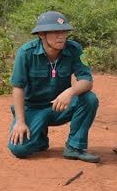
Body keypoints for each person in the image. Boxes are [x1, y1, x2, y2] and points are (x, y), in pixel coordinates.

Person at [8, 11, 100, 162]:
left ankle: (74, 147)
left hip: (60, 106)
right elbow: (18, 88)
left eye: (64, 31)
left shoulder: (75, 49)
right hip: (33, 108)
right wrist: (20, 122)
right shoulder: (25, 53)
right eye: (56, 32)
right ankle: (39, 138)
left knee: (89, 99)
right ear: (41, 34)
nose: (61, 36)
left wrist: (70, 92)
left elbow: (87, 80)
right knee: (19, 149)